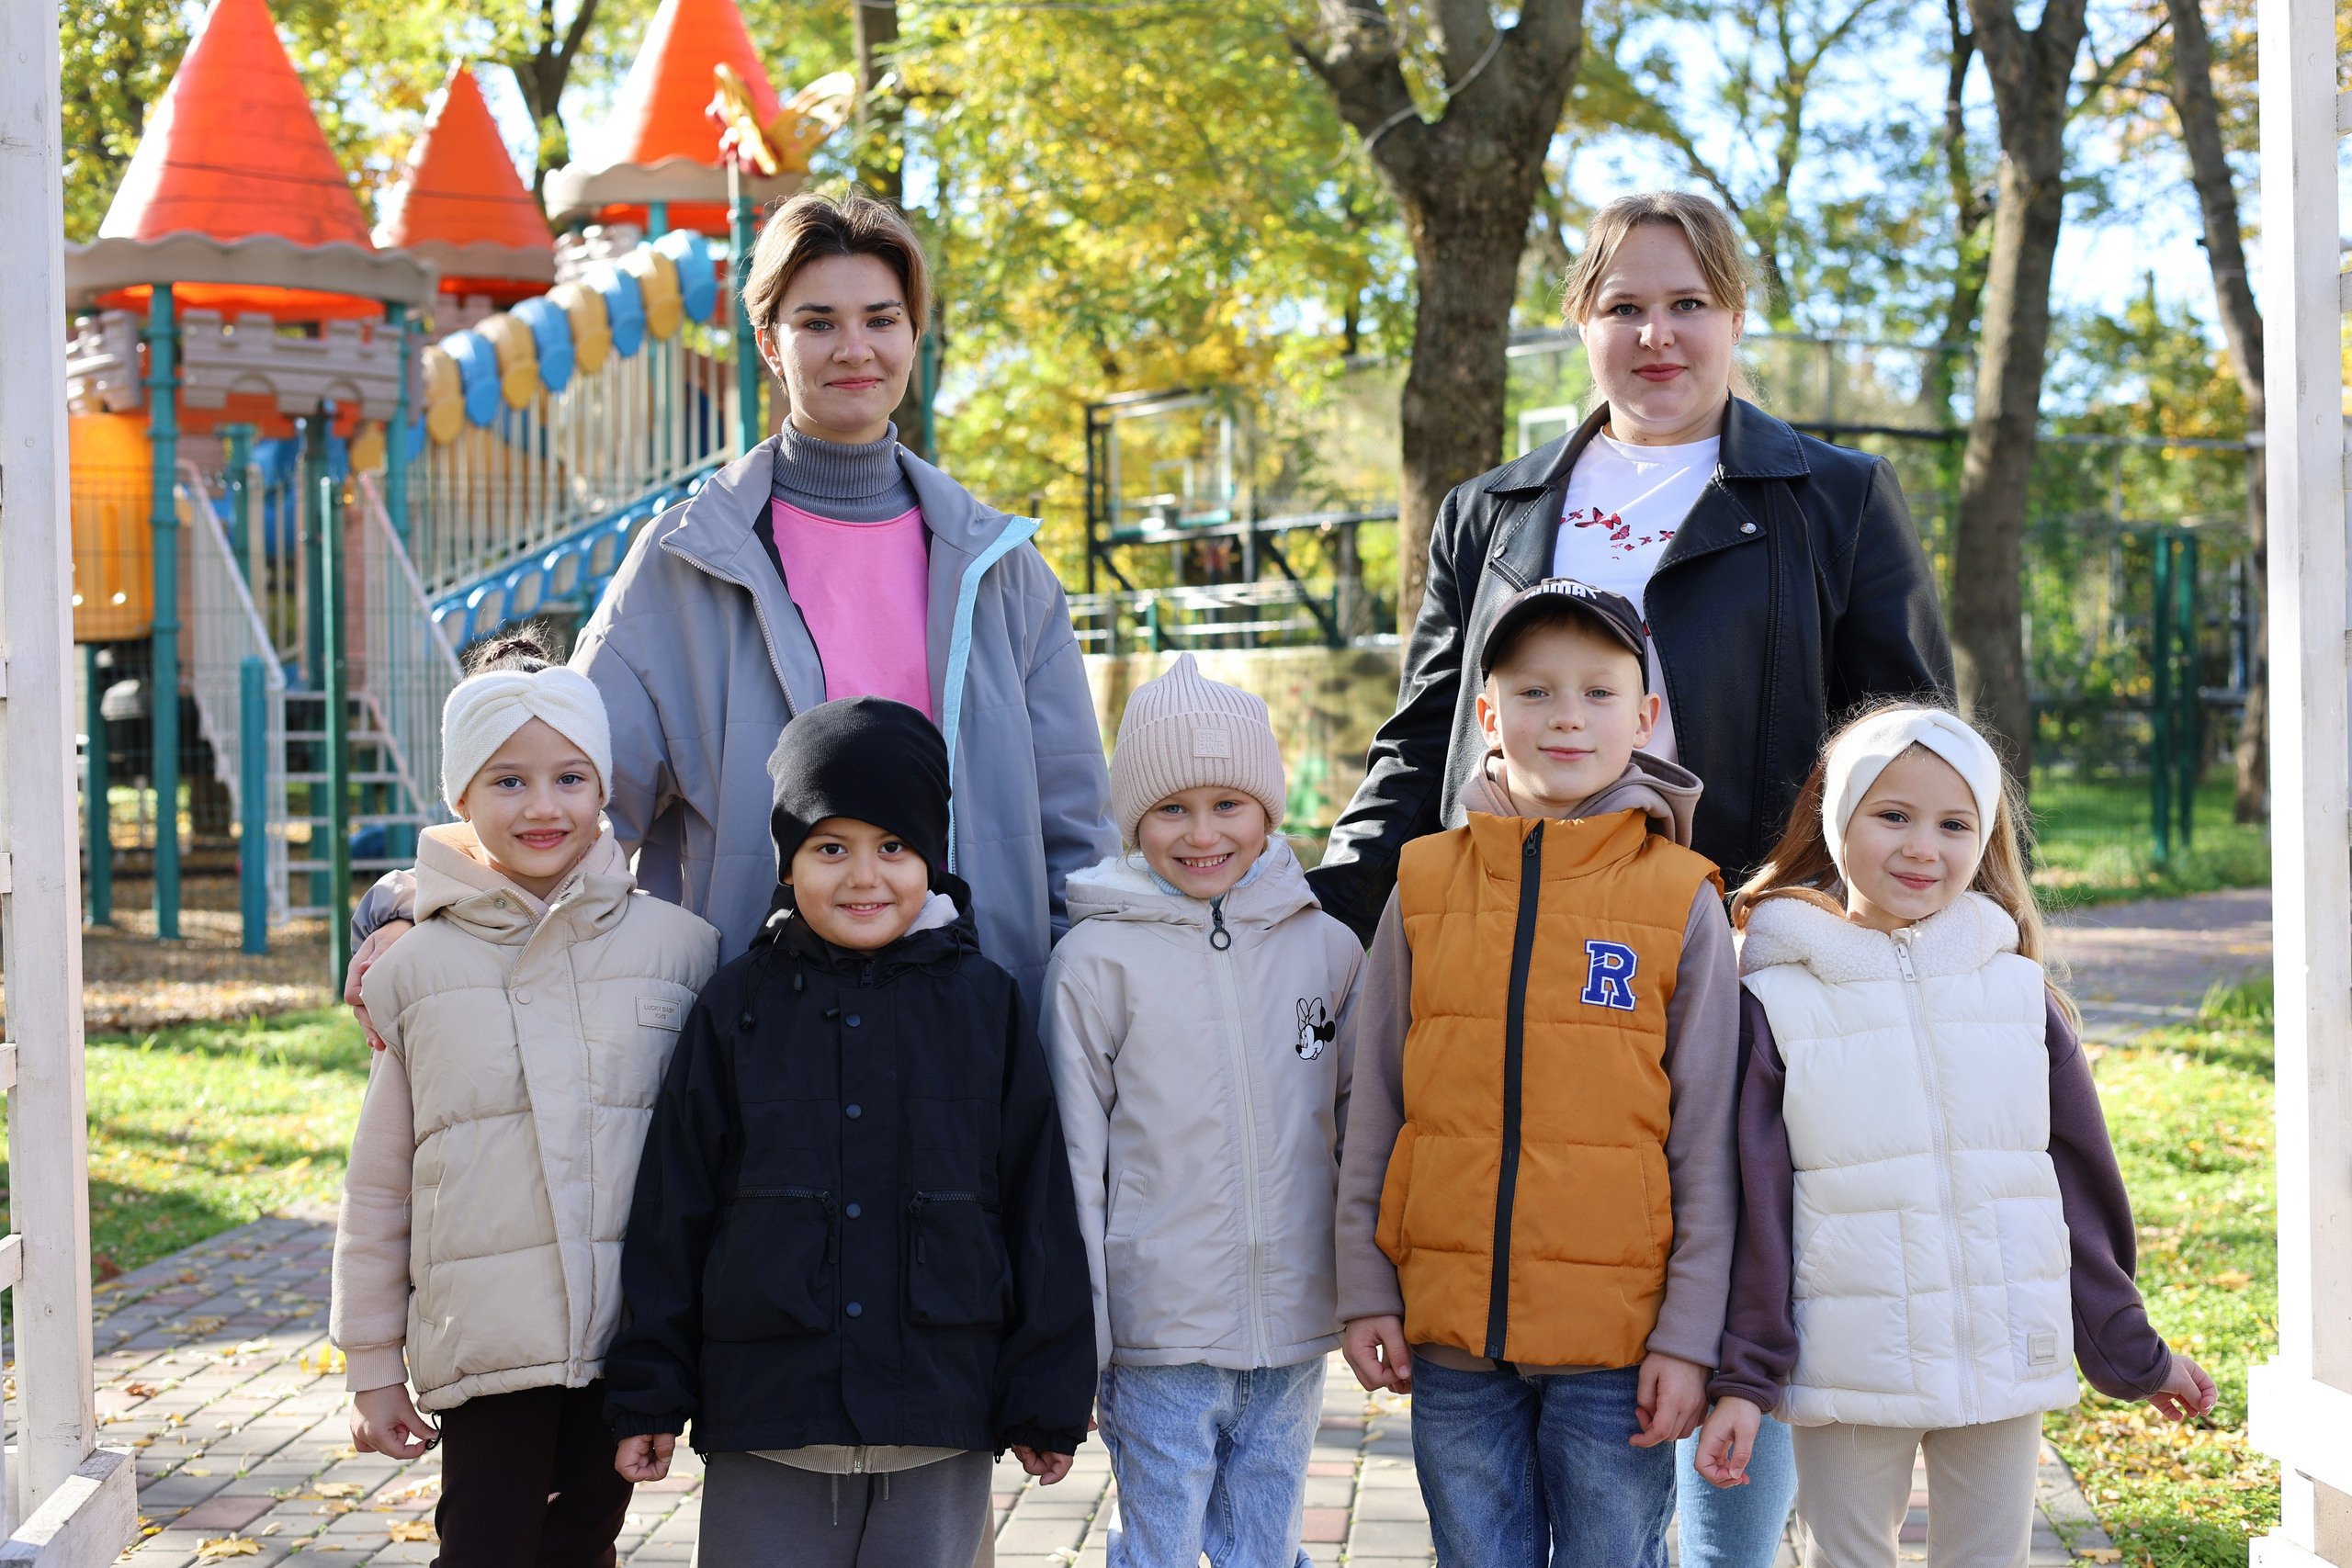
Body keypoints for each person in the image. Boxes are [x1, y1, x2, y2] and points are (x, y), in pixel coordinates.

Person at [1307, 191, 1952, 1562]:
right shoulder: (1497, 509)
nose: (1657, 334)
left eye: (1688, 303)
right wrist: (1318, 915)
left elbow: (1901, 741)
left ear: (1734, 316)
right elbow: (1424, 726)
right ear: (1579, 322)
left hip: (1741, 954)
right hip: (1516, 960)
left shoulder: (1830, 498)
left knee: (1724, 1272)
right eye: (1623, 305)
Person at [347, 189, 1114, 1018]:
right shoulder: (683, 564)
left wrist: (1092, 1024)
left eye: (881, 320)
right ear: (770, 345)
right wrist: (411, 901)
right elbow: (570, 797)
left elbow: (1075, 835)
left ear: (914, 335)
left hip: (976, 1031)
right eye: (818, 322)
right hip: (754, 1041)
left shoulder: (1004, 572)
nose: (855, 349)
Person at [1690, 705, 2218, 1567]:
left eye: (1953, 823)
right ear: (1838, 820)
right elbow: (1755, 1208)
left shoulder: (2017, 995)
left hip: (2005, 1350)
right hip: (1848, 1366)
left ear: (1985, 839)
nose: (1921, 847)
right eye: (1892, 815)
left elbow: (2076, 1192)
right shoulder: (1776, 1001)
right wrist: (1745, 1377)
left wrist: (2129, 1347)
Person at [602, 696, 1096, 1568]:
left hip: (937, 1415)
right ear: (789, 863)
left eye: (893, 847)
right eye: (832, 847)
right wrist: (648, 1392)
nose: (864, 876)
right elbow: (673, 1206)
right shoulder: (737, 1007)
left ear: (932, 860)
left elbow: (1038, 1207)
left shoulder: (986, 1007)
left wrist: (1046, 1390)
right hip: (772, 1414)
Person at [1332, 579, 1741, 1568]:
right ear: (1487, 715)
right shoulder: (1423, 885)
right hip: (1453, 1339)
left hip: (1617, 1346)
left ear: (1644, 718)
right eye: (1534, 692)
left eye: (1598, 694)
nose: (1566, 717)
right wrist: (1363, 1284)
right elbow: (1371, 1102)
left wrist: (1688, 1336)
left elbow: (1709, 1139)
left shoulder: (1679, 897)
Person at [329, 637, 721, 1565]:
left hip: (627, 1343)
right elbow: (379, 1188)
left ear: (604, 789)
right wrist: (371, 1365)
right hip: (486, 1346)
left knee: (583, 1550)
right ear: (461, 798)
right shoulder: (416, 968)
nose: (543, 807)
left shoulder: (680, 953)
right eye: (508, 781)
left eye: (571, 779)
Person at [1042, 654, 1364, 1568]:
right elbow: (1072, 1158)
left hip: (1295, 1319)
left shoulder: (1328, 949)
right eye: (1170, 809)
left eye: (1228, 804)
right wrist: (1086, 1336)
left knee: (1265, 1536)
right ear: (1133, 817)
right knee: (1159, 1543)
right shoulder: (1095, 961)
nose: (1200, 834)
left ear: (1268, 808)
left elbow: (1365, 1128)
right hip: (1156, 1328)